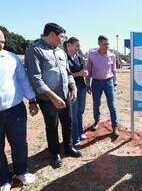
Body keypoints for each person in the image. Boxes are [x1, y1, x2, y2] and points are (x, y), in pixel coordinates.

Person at [25, 23, 81, 168]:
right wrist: (53, 97)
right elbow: (35, 78)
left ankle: (68, 148)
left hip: (65, 94)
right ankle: (55, 153)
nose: (63, 40)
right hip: (48, 99)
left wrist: (73, 87)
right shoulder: (35, 50)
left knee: (68, 122)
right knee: (52, 125)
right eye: (61, 37)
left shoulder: (61, 52)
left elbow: (67, 72)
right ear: (51, 35)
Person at [0, 30, 38, 190]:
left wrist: (32, 100)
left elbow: (23, 80)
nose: (0, 45)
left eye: (2, 41)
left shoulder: (11, 58)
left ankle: (21, 171)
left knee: (19, 143)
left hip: (15, 109)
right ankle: (3, 179)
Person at [85, 35, 119, 135]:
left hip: (109, 83)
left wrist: (115, 83)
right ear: (99, 44)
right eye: (105, 44)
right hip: (96, 83)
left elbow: (114, 70)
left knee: (112, 105)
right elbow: (88, 70)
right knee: (96, 103)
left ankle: (115, 126)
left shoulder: (112, 55)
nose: (107, 46)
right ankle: (96, 121)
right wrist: (88, 84)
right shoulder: (92, 55)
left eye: (108, 44)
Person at [63, 37, 88, 147]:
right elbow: (65, 75)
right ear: (69, 45)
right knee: (73, 113)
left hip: (81, 87)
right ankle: (75, 137)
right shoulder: (64, 58)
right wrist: (79, 74)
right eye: (77, 46)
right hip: (71, 89)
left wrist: (84, 73)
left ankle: (80, 132)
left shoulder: (79, 57)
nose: (79, 48)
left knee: (80, 111)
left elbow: (82, 71)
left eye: (79, 46)